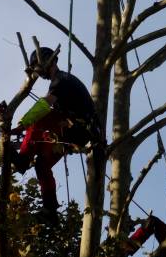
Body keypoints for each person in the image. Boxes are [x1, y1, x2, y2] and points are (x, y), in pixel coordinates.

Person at [11, 47, 103, 222]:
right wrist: (26, 139)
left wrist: (22, 125)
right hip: (74, 134)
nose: (38, 72)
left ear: (49, 61)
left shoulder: (61, 80)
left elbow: (45, 104)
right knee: (42, 164)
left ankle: (23, 159)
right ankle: (50, 210)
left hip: (78, 128)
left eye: (38, 66)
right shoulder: (60, 82)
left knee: (42, 115)